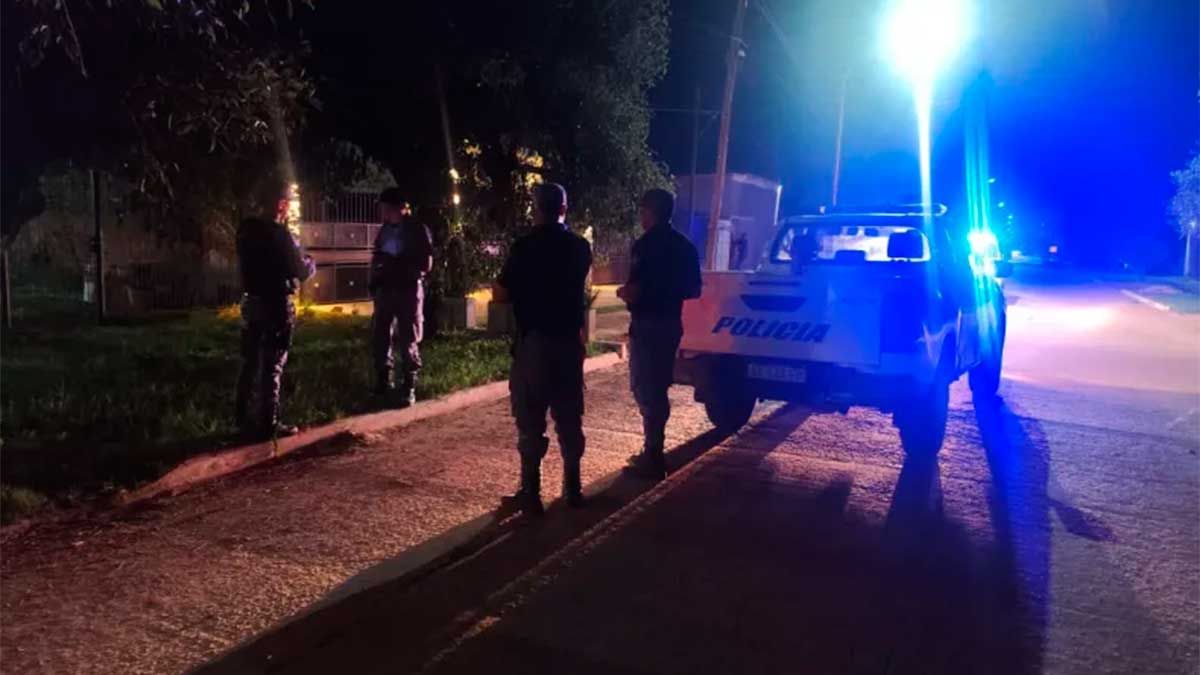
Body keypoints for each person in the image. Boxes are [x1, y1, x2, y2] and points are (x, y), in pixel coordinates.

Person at [494, 183, 593, 515]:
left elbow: (501, 293)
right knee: (569, 415)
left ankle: (531, 492)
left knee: (530, 417)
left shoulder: (524, 247)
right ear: (563, 209)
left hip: (534, 342)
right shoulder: (579, 247)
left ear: (535, 209)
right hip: (568, 343)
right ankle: (573, 487)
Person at [618, 189, 703, 480]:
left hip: (647, 324)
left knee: (645, 387)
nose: (641, 216)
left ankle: (653, 454)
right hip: (670, 324)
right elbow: (694, 289)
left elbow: (636, 289)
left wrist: (627, 293)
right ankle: (653, 449)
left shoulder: (645, 246)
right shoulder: (685, 246)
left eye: (643, 210)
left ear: (651, 212)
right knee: (659, 386)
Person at [235, 216, 315, 441]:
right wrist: (309, 262)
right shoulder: (279, 234)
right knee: (273, 364)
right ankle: (268, 423)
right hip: (276, 304)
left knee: (250, 361)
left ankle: (243, 418)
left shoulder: (245, 230)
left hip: (252, 302)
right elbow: (300, 271)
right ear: (279, 205)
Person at [369, 188, 434, 407]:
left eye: (387, 207)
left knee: (409, 336)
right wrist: (375, 278)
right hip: (386, 289)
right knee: (381, 334)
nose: (384, 212)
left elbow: (426, 263)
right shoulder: (385, 230)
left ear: (399, 207)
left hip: (407, 289)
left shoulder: (417, 229)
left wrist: (401, 265)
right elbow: (377, 256)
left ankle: (409, 385)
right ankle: (383, 381)